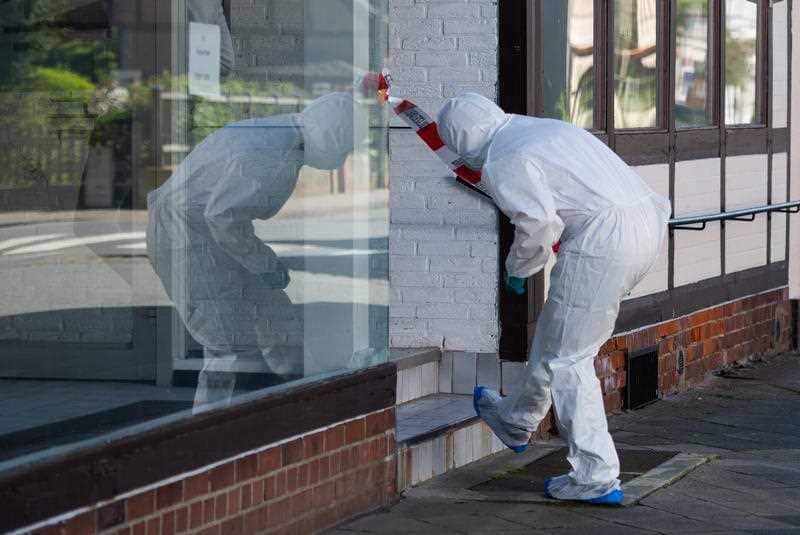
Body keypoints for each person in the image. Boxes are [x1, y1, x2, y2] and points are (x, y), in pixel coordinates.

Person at [437, 93, 670, 505]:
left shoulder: (505, 158)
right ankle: (515, 419)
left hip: (604, 243)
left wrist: (517, 268)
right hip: (646, 223)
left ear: (462, 142)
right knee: (558, 336)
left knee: (569, 358)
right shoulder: (542, 129)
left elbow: (539, 224)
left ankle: (596, 476)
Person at [147, 91, 359, 410]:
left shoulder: (275, 134)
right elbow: (223, 217)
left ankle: (304, 399)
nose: (343, 158)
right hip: (189, 239)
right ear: (332, 137)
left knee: (277, 321)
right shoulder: (273, 156)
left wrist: (262, 266)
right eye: (345, 148)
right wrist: (265, 264)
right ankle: (214, 426)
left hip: (209, 237)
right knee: (230, 345)